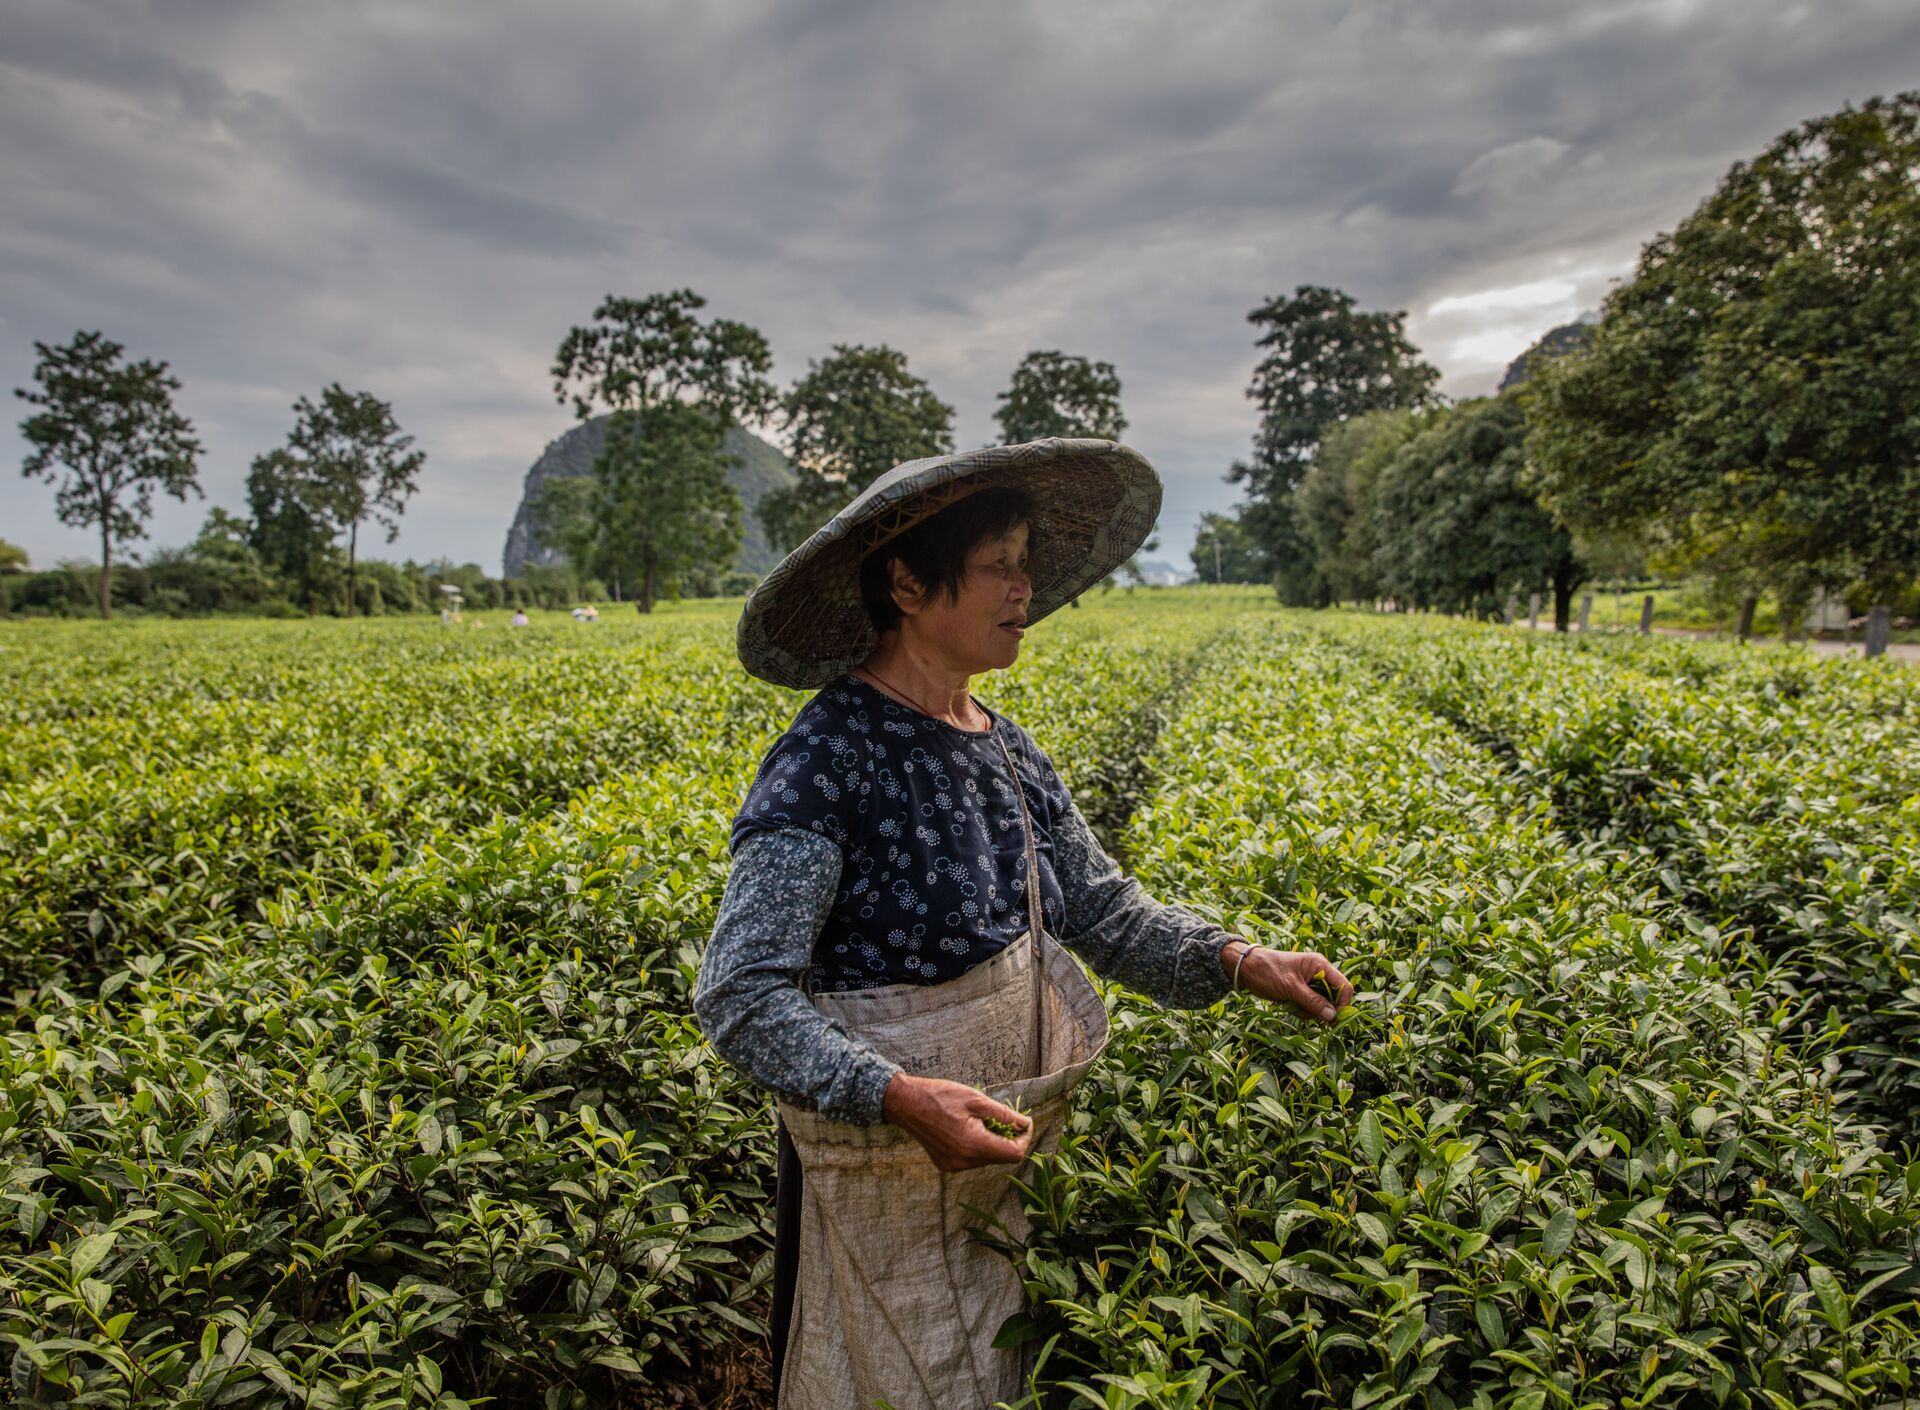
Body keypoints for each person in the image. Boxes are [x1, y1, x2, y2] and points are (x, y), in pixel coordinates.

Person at [694, 438, 1356, 1410]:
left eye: (1025, 562)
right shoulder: (828, 759)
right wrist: (894, 1097)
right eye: (999, 563)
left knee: (988, 1365)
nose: (1025, 586)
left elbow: (1101, 909)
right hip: (883, 1160)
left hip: (999, 1146)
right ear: (910, 584)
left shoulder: (1008, 751)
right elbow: (740, 992)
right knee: (888, 1372)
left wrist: (1237, 959)